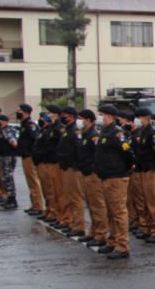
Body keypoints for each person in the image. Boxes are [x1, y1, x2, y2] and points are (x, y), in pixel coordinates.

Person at [93, 105, 134, 260]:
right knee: (111, 211)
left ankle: (122, 245)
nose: (99, 117)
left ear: (109, 116)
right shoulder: (105, 131)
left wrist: (127, 167)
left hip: (116, 176)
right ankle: (113, 241)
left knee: (118, 211)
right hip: (107, 175)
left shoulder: (116, 132)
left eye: (101, 114)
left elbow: (127, 152)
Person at [74, 109, 108, 247]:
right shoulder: (85, 134)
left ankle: (101, 234)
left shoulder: (94, 135)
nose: (78, 121)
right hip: (86, 173)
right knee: (91, 204)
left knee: (97, 205)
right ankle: (93, 231)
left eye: (80, 118)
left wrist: (92, 168)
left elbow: (98, 154)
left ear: (87, 120)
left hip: (93, 174)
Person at [133, 107, 155, 243]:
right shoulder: (142, 132)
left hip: (152, 170)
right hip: (144, 169)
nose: (136, 120)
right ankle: (148, 229)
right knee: (146, 202)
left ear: (145, 118)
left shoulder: (153, 133)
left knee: (154, 202)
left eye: (138, 118)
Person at [57, 106, 86, 237]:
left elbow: (79, 149)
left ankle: (79, 226)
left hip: (73, 168)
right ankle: (73, 223)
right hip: (66, 167)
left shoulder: (75, 131)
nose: (62, 117)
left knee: (75, 198)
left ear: (72, 116)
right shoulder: (67, 129)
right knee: (70, 197)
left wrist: (76, 164)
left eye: (65, 114)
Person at [15, 104, 43, 215]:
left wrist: (33, 153)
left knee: (33, 181)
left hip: (30, 156)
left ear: (26, 112)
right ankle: (34, 204)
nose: (18, 112)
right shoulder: (24, 124)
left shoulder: (30, 125)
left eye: (19, 110)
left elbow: (36, 139)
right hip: (25, 155)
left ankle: (38, 206)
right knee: (30, 181)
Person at [0, 115, 19, 209]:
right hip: (3, 156)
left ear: (4, 121)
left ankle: (12, 199)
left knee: (8, 177)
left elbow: (13, 142)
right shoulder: (1, 130)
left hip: (8, 156)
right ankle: (9, 197)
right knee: (5, 177)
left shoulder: (7, 130)